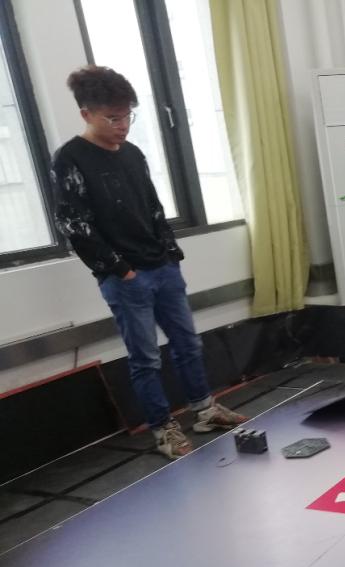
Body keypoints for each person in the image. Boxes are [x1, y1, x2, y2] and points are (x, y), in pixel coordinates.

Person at [50, 66, 246, 460]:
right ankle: (162, 428)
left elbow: (154, 208)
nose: (123, 125)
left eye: (128, 116)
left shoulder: (133, 154)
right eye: (113, 118)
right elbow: (75, 226)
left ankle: (205, 409)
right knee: (145, 357)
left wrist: (171, 254)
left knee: (188, 344)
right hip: (124, 277)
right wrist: (122, 270)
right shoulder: (70, 158)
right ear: (86, 113)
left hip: (162, 267)